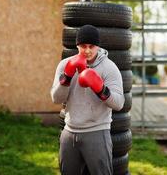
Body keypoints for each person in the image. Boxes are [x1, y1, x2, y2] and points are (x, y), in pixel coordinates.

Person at [50, 24, 124, 175]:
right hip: (69, 131)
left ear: (98, 46)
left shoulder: (109, 67)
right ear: (77, 45)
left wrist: (100, 89)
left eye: (92, 46)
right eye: (83, 46)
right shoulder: (65, 65)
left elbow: (119, 104)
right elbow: (56, 98)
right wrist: (67, 77)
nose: (88, 50)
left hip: (97, 132)